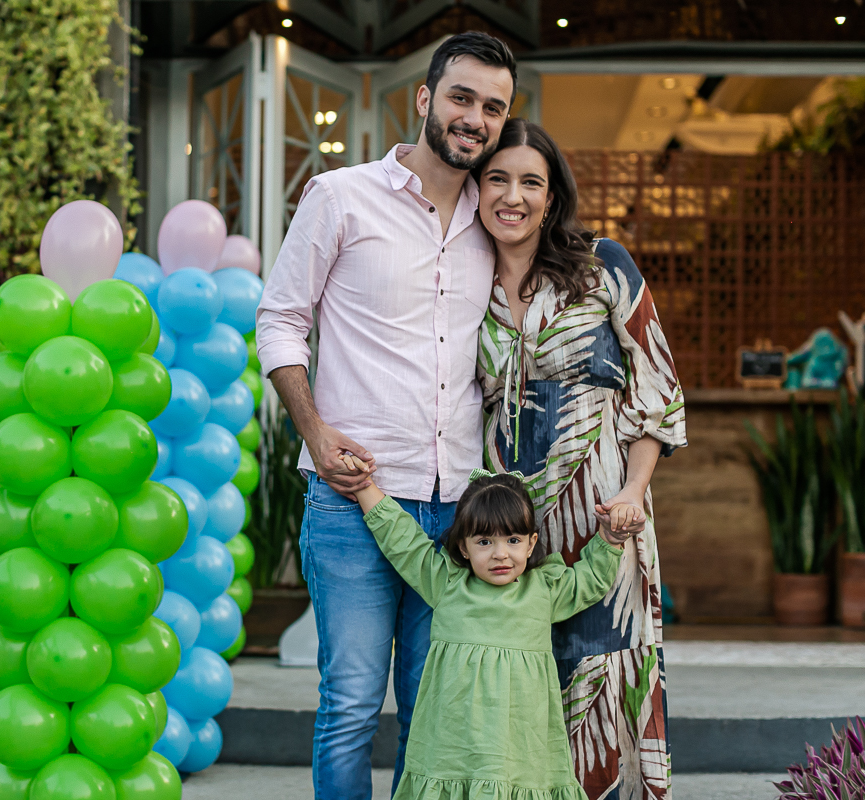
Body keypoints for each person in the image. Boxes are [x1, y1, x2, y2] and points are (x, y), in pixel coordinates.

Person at [256, 31, 517, 799]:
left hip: (456, 511)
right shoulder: (340, 196)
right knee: (350, 705)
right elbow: (280, 318)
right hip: (353, 502)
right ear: (425, 98)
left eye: (493, 107)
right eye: (462, 97)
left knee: (429, 710)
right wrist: (313, 431)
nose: (475, 118)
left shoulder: (494, 221)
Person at [474, 118, 687, 799]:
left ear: (552, 195)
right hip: (505, 529)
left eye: (530, 182)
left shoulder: (603, 265)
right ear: (476, 188)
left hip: (602, 517)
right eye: (497, 178)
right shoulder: (460, 277)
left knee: (602, 677)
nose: (512, 196)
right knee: (514, 683)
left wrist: (632, 492)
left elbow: (657, 389)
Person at [337, 459, 634, 799]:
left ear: (531, 543)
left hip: (519, 744)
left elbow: (590, 580)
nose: (500, 554)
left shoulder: (543, 590)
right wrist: (364, 487)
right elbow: (402, 541)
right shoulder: (447, 583)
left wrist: (611, 538)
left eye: (513, 539)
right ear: (463, 547)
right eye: (484, 542)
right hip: (454, 745)